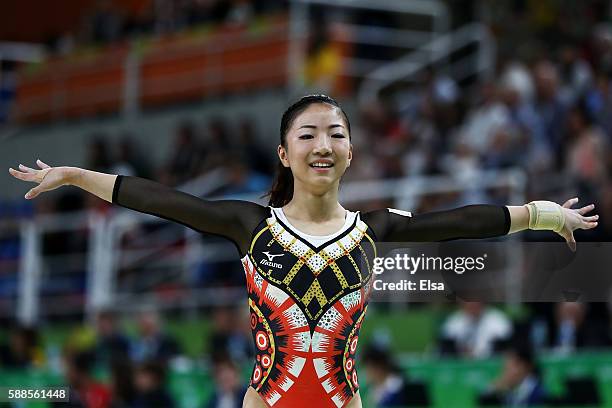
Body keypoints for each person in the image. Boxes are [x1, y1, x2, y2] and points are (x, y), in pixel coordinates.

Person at [9, 94, 598, 408]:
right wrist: (75, 175)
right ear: (284, 155)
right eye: (308, 134)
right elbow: (162, 200)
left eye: (336, 133)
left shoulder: (373, 228)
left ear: (351, 154)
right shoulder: (250, 224)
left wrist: (546, 215)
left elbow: (462, 220)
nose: (324, 144)